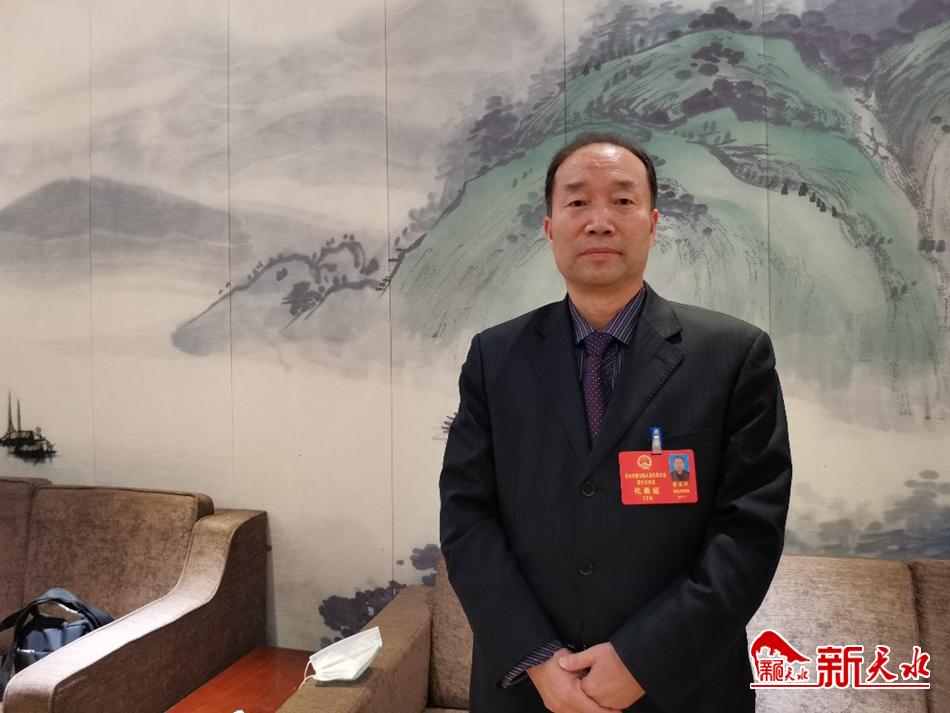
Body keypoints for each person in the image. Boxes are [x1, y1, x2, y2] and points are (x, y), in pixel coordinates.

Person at [439, 132, 792, 713]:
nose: (599, 221)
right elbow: (467, 517)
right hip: (530, 692)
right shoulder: (494, 357)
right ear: (550, 227)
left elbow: (748, 531)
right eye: (577, 202)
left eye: (623, 201)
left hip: (684, 686)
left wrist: (641, 660)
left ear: (652, 225)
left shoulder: (733, 355)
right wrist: (537, 659)